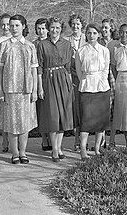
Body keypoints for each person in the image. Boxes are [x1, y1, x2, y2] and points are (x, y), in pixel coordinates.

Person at [0, 14, 38, 164]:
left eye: (17, 25)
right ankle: (14, 153)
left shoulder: (30, 46)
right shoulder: (4, 45)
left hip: (26, 90)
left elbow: (34, 70)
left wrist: (35, 90)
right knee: (12, 123)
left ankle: (23, 152)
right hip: (10, 89)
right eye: (11, 25)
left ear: (24, 26)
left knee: (25, 123)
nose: (13, 28)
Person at [37, 17, 74, 161]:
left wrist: (69, 84)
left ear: (61, 29)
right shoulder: (42, 45)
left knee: (63, 116)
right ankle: (54, 149)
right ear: (48, 28)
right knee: (53, 116)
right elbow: (39, 67)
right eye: (52, 27)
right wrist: (40, 87)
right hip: (48, 79)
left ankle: (59, 147)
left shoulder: (66, 44)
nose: (54, 30)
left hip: (63, 78)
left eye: (57, 28)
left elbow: (69, 67)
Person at [76, 24, 111, 159]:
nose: (92, 36)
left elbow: (106, 69)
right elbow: (79, 71)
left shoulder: (104, 51)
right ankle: (83, 150)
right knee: (86, 120)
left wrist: (99, 82)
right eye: (89, 33)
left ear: (99, 35)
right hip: (86, 87)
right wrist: (87, 81)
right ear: (86, 34)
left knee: (100, 120)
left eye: (94, 33)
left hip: (102, 88)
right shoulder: (81, 51)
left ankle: (97, 148)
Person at [64, 14, 87, 151]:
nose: (75, 26)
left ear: (82, 25)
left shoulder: (87, 38)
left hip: (86, 76)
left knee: (86, 110)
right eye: (73, 24)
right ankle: (76, 139)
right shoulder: (67, 40)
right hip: (73, 76)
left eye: (78, 24)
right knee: (75, 109)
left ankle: (85, 140)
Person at [0, 13, 12, 153]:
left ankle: (14, 140)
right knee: (3, 111)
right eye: (3, 24)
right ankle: (5, 140)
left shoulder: (17, 39)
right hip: (1, 76)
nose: (5, 27)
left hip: (16, 79)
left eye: (8, 24)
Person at [33, 18, 52, 151]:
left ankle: (52, 137)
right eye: (39, 28)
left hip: (50, 77)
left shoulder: (51, 43)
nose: (41, 31)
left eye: (43, 28)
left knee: (51, 110)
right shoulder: (33, 44)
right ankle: (44, 138)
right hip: (36, 78)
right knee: (41, 110)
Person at [100, 18, 119, 149]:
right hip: (100, 76)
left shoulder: (116, 43)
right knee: (101, 109)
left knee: (113, 109)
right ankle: (102, 140)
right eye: (103, 27)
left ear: (111, 28)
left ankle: (112, 139)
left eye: (106, 27)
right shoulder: (98, 42)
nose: (104, 30)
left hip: (113, 76)